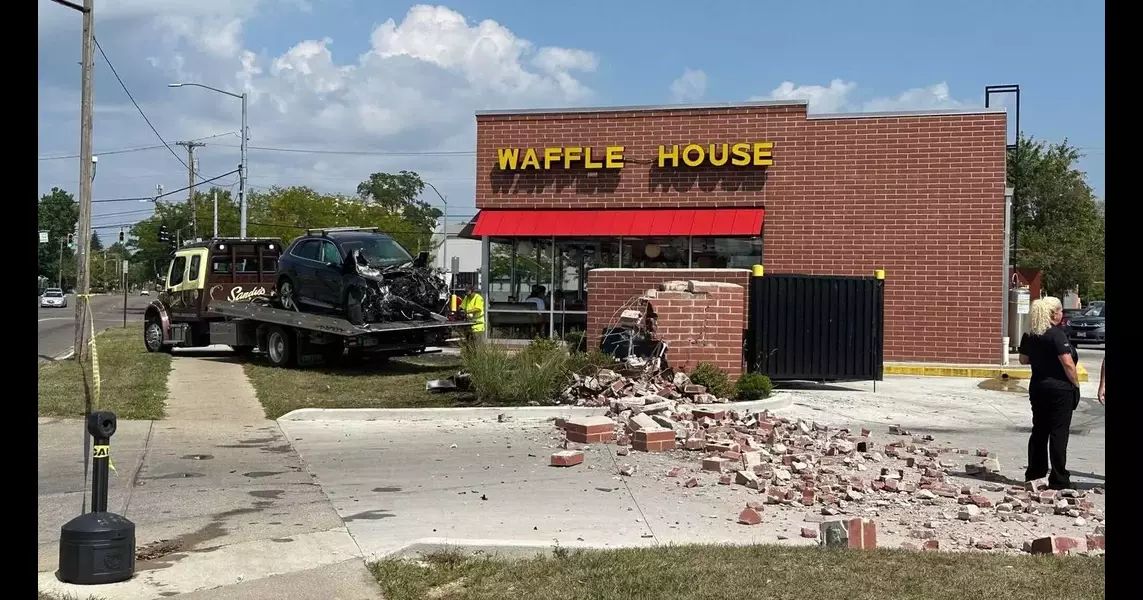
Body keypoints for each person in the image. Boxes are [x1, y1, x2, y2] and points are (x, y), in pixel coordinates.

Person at [1018, 296, 1080, 490]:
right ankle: (1059, 479)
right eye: (1061, 310)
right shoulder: (1056, 335)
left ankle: (1035, 473)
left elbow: (1023, 359)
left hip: (1038, 387)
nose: (1063, 314)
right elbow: (1067, 363)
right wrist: (1076, 385)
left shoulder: (1030, 334)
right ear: (1054, 313)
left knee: (1039, 430)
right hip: (1060, 389)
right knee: (1058, 433)